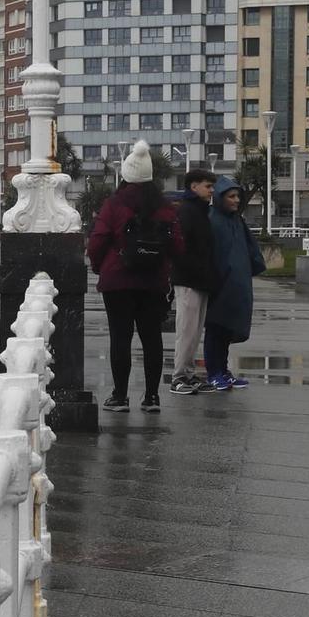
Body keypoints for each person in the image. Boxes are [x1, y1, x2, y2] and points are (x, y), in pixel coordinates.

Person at [86, 140, 184, 413]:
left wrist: (99, 266)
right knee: (152, 338)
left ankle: (119, 397)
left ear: (126, 175)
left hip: (118, 281)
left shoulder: (114, 204)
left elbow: (98, 241)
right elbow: (177, 246)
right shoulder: (165, 207)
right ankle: (152, 398)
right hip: (153, 283)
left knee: (120, 338)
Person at [200, 175, 266, 393]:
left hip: (237, 285)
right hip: (219, 286)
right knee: (216, 329)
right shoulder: (212, 220)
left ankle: (223, 371)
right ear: (220, 198)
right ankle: (214, 373)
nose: (236, 200)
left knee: (227, 331)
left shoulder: (236, 220)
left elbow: (249, 249)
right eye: (231, 196)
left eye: (238, 196)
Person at [166, 167, 217, 395]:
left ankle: (188, 373)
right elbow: (181, 248)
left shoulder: (200, 211)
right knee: (186, 330)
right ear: (193, 186)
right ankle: (178, 377)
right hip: (188, 280)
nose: (211, 190)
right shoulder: (187, 212)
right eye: (207, 186)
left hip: (200, 279)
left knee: (195, 332)